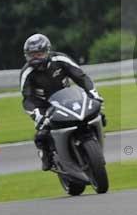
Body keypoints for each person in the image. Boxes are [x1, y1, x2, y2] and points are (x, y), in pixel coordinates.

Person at [20, 33, 103, 170]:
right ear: (26, 55)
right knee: (42, 133)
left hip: (66, 97)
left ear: (47, 51)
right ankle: (46, 156)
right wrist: (37, 115)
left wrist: (94, 94)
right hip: (44, 106)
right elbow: (27, 99)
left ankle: (95, 143)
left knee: (96, 113)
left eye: (39, 54)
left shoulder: (60, 59)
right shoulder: (26, 73)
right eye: (32, 54)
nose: (35, 57)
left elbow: (81, 77)